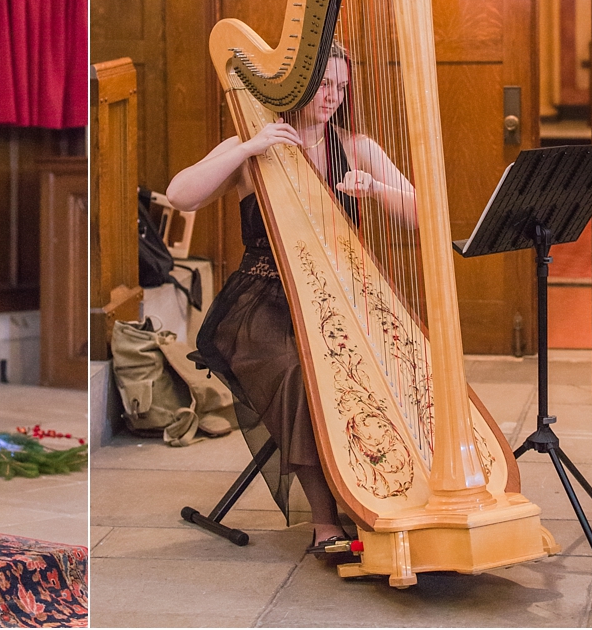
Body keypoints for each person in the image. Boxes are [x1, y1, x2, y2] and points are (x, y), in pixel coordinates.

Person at [166, 45, 415, 552]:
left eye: (342, 87)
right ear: (295, 86)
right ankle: (326, 521)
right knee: (301, 373)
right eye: (324, 84)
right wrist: (244, 149)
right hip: (262, 303)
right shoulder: (250, 147)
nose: (333, 97)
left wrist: (375, 188)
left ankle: (388, 493)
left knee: (402, 365)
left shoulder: (357, 148)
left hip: (344, 299)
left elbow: (419, 214)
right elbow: (180, 195)